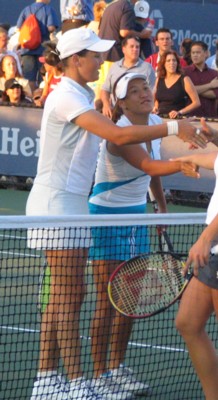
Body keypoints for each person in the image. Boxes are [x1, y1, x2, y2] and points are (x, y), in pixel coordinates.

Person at [26, 27, 213, 400]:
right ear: (75, 60)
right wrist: (179, 126)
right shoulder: (65, 95)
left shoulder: (79, 94)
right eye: (94, 56)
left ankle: (48, 378)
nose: (101, 61)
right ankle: (78, 383)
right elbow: (121, 137)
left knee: (65, 297)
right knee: (70, 295)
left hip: (75, 204)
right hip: (59, 203)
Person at [88, 72, 200, 400]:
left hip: (137, 216)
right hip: (107, 217)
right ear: (121, 103)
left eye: (145, 88)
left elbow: (153, 176)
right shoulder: (119, 133)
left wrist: (161, 209)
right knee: (107, 302)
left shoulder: (153, 120)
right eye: (134, 92)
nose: (143, 94)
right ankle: (99, 376)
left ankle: (117, 367)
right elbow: (149, 166)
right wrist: (185, 163)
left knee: (129, 302)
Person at [174, 150, 218, 400]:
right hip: (213, 247)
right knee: (188, 323)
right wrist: (182, 159)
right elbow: (213, 159)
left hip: (214, 241)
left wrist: (205, 238)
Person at [100, 34, 155, 118]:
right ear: (123, 49)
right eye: (132, 47)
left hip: (138, 114)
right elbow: (105, 89)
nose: (135, 49)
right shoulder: (115, 66)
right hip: (116, 113)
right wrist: (106, 105)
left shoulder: (147, 68)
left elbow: (152, 92)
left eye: (137, 47)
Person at [16, 0, 60, 91]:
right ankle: (40, 97)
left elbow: (19, 27)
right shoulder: (48, 10)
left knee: (28, 78)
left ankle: (31, 97)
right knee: (43, 76)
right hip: (42, 49)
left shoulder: (26, 9)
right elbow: (51, 27)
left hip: (27, 49)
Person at [153, 50, 200, 118]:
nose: (172, 63)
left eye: (174, 60)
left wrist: (180, 112)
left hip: (177, 119)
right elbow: (157, 99)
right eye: (168, 61)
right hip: (160, 118)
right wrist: (156, 107)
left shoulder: (184, 79)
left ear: (177, 63)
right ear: (163, 64)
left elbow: (196, 102)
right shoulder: (159, 80)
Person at [184, 41, 218, 118]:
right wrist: (210, 85)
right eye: (193, 53)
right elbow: (184, 91)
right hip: (190, 117)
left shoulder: (215, 74)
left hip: (211, 118)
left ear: (206, 53)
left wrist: (192, 91)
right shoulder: (184, 72)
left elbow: (214, 94)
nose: (195, 55)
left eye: (198, 52)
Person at [38, 41, 64, 105]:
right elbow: (44, 94)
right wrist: (41, 100)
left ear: (52, 64)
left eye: (45, 63)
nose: (44, 65)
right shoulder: (48, 76)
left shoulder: (66, 76)